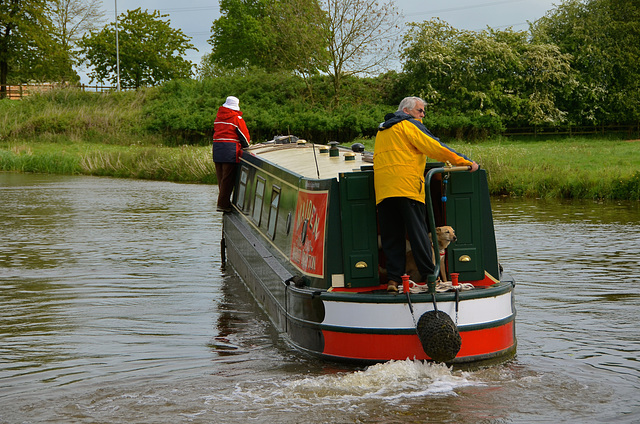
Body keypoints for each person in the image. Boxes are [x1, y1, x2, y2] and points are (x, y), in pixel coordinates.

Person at [374, 96, 479, 292]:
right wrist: (465, 162)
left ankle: (393, 281)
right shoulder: (408, 125)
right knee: (419, 234)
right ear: (406, 111)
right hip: (407, 187)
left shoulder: (383, 130)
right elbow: (435, 146)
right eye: (419, 111)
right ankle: (432, 277)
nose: (423, 115)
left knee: (392, 237)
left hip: (384, 190)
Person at [212, 96, 251, 212]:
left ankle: (224, 202)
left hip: (217, 148)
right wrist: (247, 147)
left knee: (221, 178)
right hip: (230, 150)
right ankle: (223, 205)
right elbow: (244, 137)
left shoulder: (218, 118)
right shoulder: (237, 119)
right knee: (228, 178)